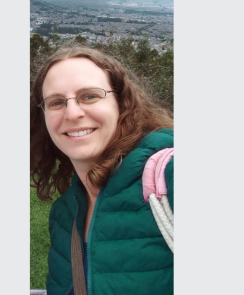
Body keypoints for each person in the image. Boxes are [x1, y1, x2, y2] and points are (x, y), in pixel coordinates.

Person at [30, 41, 174, 295]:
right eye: (56, 102)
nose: (72, 113)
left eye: (90, 96)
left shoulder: (169, 176)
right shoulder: (65, 213)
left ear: (122, 103)